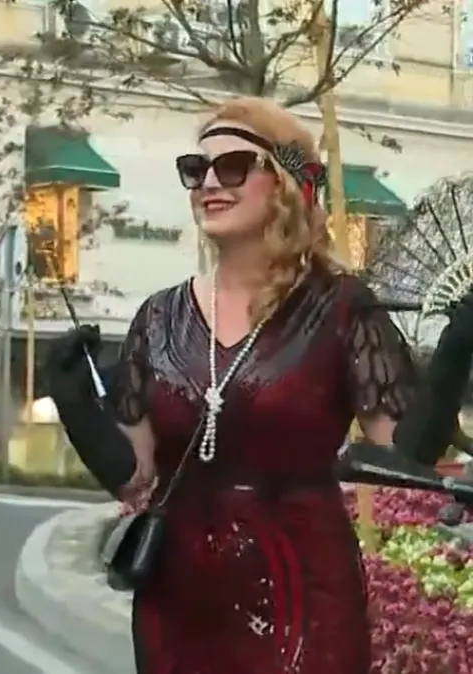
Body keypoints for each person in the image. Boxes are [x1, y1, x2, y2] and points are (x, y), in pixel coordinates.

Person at [46, 97, 416, 673]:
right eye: (196, 170)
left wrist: (455, 357)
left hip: (303, 603)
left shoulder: (341, 307)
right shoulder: (159, 317)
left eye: (235, 166)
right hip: (177, 605)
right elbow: (133, 477)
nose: (210, 183)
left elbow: (408, 449)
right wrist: (74, 402)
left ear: (286, 183)